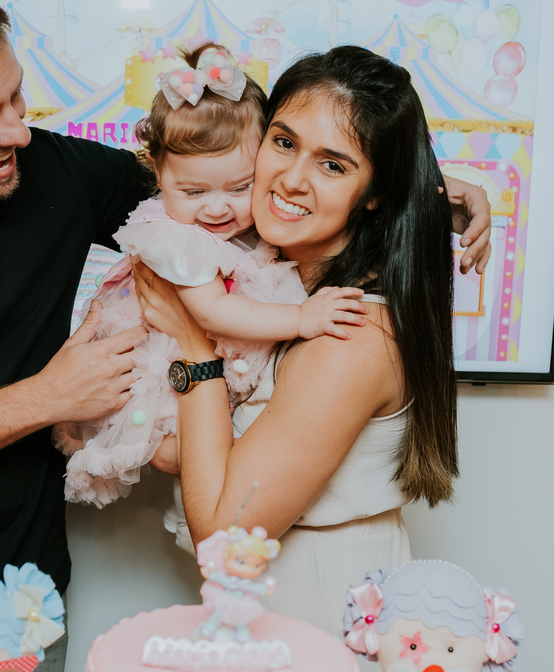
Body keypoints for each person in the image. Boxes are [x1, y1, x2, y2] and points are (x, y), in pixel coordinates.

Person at [0, 0, 492, 672]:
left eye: (16, 98)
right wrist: (48, 398)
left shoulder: (54, 173)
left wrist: (422, 189)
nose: (17, 133)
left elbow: (220, 181)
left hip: (25, 602)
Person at [135, 46, 468, 651]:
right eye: (284, 142)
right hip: (267, 620)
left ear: (375, 192)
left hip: (323, 619)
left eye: (333, 165)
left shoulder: (350, 335)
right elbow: (187, 158)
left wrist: (193, 345)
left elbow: (224, 543)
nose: (291, 179)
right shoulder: (269, 281)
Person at [54, 44, 369, 508]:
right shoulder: (176, 239)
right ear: (157, 172)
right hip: (152, 368)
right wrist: (303, 318)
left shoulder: (243, 226)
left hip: (203, 363)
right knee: (199, 456)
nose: (218, 208)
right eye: (194, 191)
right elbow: (211, 311)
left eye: (240, 187)